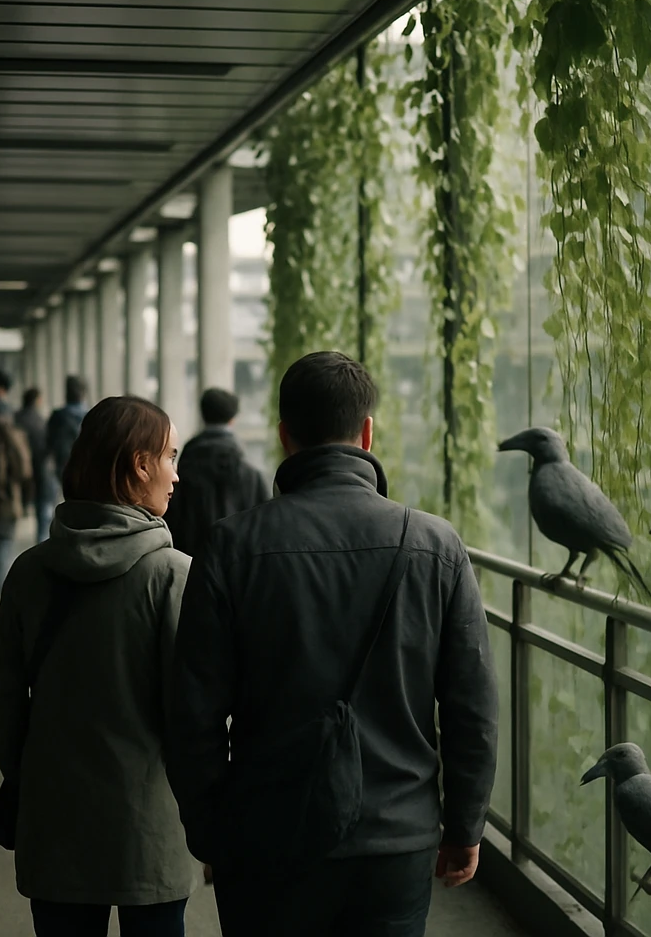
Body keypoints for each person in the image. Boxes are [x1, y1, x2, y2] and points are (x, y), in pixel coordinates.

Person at [166, 351, 498, 937]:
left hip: (265, 837)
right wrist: (464, 825)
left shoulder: (231, 546)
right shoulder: (435, 545)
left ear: (284, 436)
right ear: (366, 433)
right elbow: (471, 705)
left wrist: (211, 829)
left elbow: (192, 711)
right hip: (397, 837)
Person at [0, 396, 196, 937]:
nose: (176, 475)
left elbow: (2, 699)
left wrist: (33, 776)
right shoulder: (172, 576)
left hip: (55, 823)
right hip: (150, 828)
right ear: (139, 465)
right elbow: (193, 713)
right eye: (170, 457)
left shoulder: (30, 571)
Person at [164, 387, 269, 559]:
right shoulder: (252, 476)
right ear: (232, 420)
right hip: (239, 566)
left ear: (202, 415)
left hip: (189, 566)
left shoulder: (181, 472)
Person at [0, 367, 32, 599]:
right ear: (1, 391)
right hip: (3, 503)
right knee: (2, 560)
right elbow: (23, 467)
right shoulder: (10, 422)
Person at [15, 387, 54, 544]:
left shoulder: (15, 418)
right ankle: (41, 541)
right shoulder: (39, 421)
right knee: (43, 510)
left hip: (19, 472)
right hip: (39, 470)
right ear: (37, 400)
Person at [46, 375, 89, 484]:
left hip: (63, 463)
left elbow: (49, 441)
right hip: (85, 465)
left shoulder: (57, 416)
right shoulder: (92, 416)